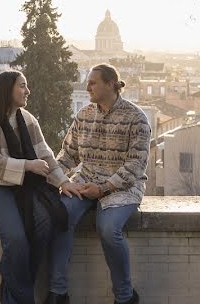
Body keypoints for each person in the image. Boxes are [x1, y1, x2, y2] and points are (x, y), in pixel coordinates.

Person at [45, 64, 151, 304]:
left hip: (123, 189)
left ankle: (125, 297)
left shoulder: (137, 118)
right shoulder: (84, 115)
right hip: (84, 182)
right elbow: (68, 155)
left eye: (93, 82)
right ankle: (57, 292)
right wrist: (57, 178)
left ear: (111, 84)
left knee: (108, 229)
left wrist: (103, 189)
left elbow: (135, 165)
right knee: (60, 217)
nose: (87, 86)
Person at [0, 70, 69, 304]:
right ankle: (24, 298)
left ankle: (11, 290)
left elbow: (45, 154)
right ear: (7, 90)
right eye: (22, 86)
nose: (28, 91)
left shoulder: (27, 119)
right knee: (16, 238)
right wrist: (28, 166)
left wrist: (63, 182)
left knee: (45, 223)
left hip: (22, 186)